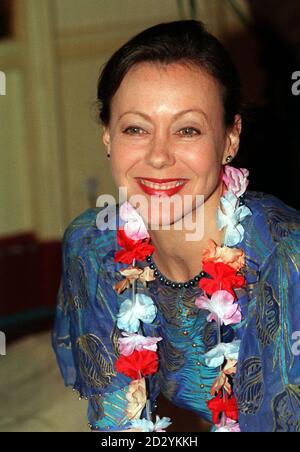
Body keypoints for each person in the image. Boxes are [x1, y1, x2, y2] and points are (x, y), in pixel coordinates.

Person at [52, 20, 300, 433]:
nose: (159, 156)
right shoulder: (94, 247)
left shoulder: (285, 261)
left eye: (187, 129)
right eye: (136, 128)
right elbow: (118, 424)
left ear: (230, 139)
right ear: (108, 137)